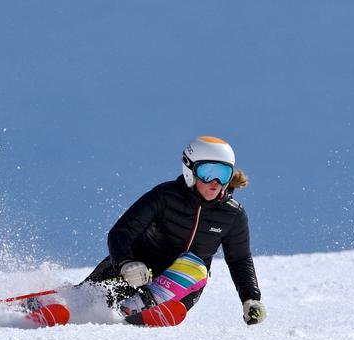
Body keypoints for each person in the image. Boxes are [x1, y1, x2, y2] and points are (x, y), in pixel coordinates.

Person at [83, 136, 266, 326]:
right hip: (136, 271)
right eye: (207, 172)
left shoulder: (232, 214)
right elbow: (122, 232)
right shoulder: (165, 196)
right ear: (190, 170)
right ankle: (67, 304)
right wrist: (126, 262)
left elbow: (239, 259)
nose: (216, 181)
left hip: (180, 287)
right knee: (90, 298)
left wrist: (250, 298)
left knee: (195, 266)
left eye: (223, 173)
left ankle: (139, 307)